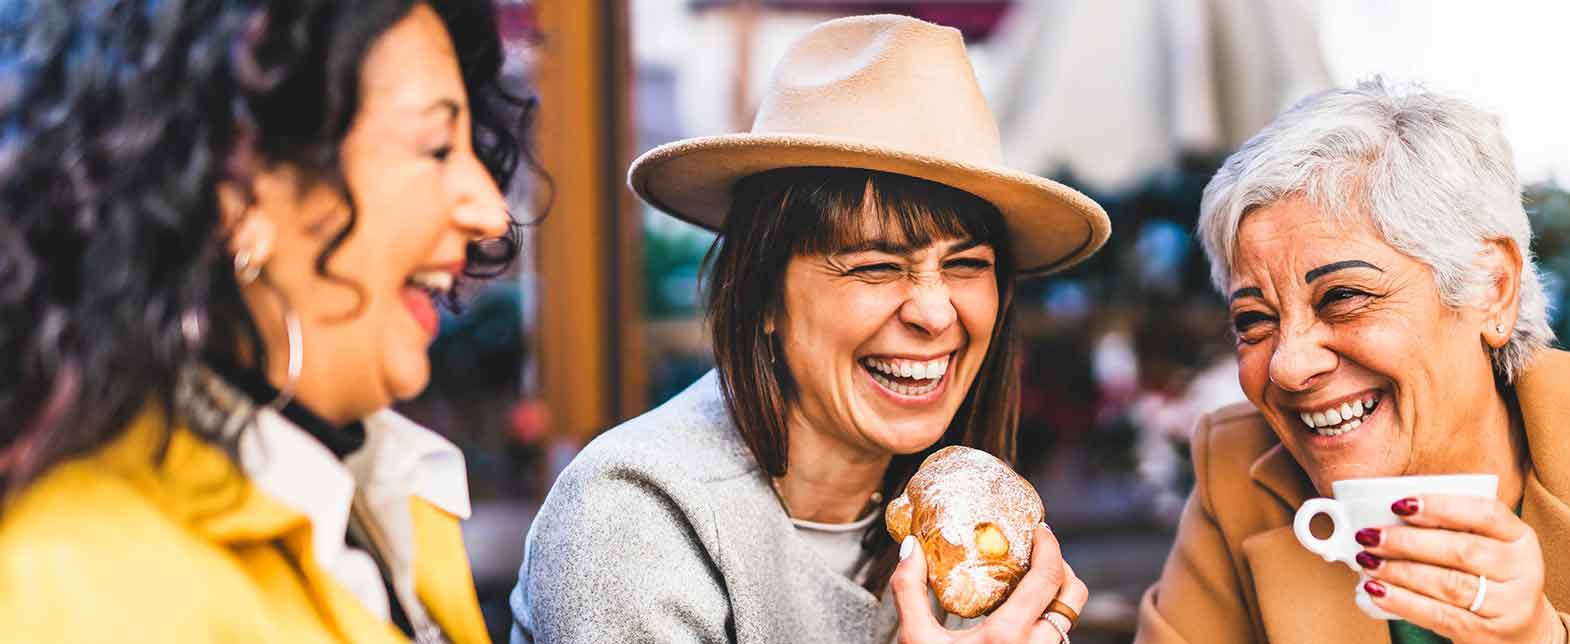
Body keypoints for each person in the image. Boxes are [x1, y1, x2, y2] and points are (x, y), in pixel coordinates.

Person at [511, 14, 1107, 644]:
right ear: (763, 291)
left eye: (966, 265)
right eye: (876, 266)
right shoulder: (633, 512)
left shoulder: (960, 530)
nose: (934, 314)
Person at [0, 1, 532, 641]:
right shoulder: (79, 586)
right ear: (238, 192)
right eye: (436, 147)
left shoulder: (381, 497)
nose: (490, 213)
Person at [1136, 79, 1570, 643]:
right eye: (1254, 320)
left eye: (1344, 296)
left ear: (1491, 288)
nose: (1288, 365)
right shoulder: (1237, 470)